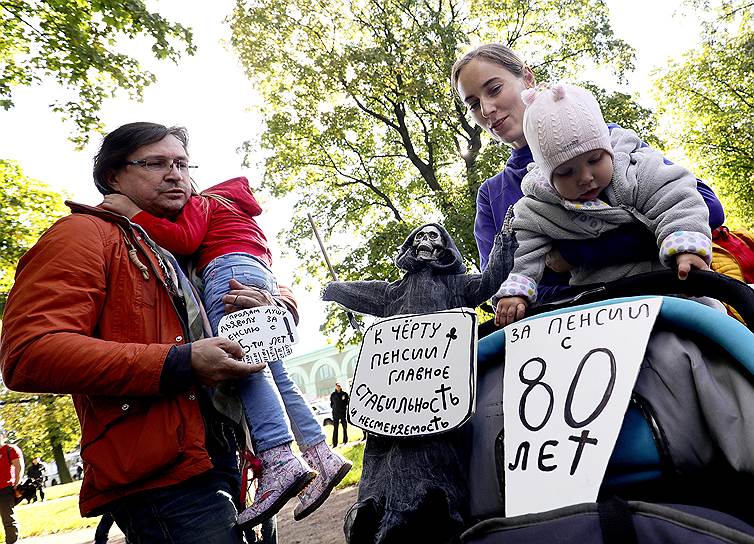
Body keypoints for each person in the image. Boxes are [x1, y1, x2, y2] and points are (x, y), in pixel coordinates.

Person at [0, 122, 285, 543]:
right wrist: (181, 362)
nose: (176, 174)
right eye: (156, 163)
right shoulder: (81, 235)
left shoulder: (185, 248)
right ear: (113, 176)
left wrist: (273, 307)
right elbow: (28, 353)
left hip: (233, 458)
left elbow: (273, 308)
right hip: (164, 480)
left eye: (182, 164)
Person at [100, 175, 352, 526]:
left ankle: (279, 458)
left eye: (180, 172)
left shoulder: (204, 203)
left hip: (227, 276)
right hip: (253, 271)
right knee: (276, 374)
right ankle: (320, 453)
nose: (173, 181)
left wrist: (133, 213)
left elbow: (183, 239)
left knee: (242, 364)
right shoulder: (238, 212)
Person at [450, 44, 725, 303]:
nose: (486, 109)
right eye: (473, 104)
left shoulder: (607, 140)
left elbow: (705, 207)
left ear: (527, 78)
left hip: (660, 301)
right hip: (563, 332)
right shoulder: (492, 195)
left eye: (494, 89)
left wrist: (575, 254)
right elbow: (498, 283)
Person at [323, 222, 513, 544]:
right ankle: (378, 516)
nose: (426, 241)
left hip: (438, 398)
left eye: (434, 237)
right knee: (384, 462)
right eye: (421, 236)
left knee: (436, 462)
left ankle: (435, 515)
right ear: (412, 244)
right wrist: (335, 290)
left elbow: (491, 280)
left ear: (444, 248)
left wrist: (505, 239)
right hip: (391, 398)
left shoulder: (457, 285)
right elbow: (362, 292)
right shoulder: (392, 292)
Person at [490, 82, 712, 325]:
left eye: (594, 159)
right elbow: (522, 246)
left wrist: (687, 248)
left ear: (608, 150)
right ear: (548, 178)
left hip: (668, 283)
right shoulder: (540, 207)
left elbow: (676, 198)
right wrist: (516, 290)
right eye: (565, 172)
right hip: (598, 308)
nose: (585, 178)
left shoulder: (635, 172)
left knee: (710, 320)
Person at [0, 430, 23, 544]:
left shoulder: (10, 449)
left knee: (8, 519)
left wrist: (17, 484)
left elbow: (19, 467)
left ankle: (11, 542)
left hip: (5, 489)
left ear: (3, 436)